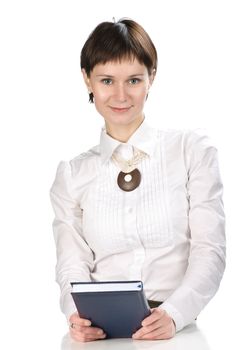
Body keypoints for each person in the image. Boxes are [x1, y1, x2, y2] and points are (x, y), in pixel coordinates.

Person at [49, 18, 226, 342]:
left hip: (177, 333)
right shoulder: (73, 175)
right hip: (99, 333)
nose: (120, 95)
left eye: (133, 80)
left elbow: (209, 251)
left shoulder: (191, 151)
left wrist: (173, 314)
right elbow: (71, 262)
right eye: (106, 80)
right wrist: (74, 314)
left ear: (151, 77)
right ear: (87, 80)